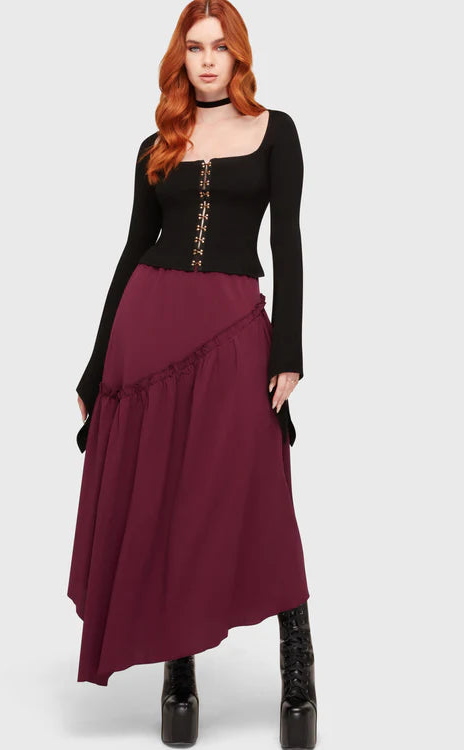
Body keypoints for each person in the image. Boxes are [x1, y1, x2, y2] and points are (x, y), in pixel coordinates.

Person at [67, 2, 317, 747]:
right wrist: (95, 364)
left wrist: (289, 351)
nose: (208, 60)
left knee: (260, 494)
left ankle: (298, 669)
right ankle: (179, 672)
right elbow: (132, 250)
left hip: (235, 331)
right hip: (149, 333)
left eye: (220, 48)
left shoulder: (276, 131)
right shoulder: (158, 143)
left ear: (239, 57)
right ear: (181, 57)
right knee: (169, 495)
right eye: (195, 47)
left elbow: (288, 242)